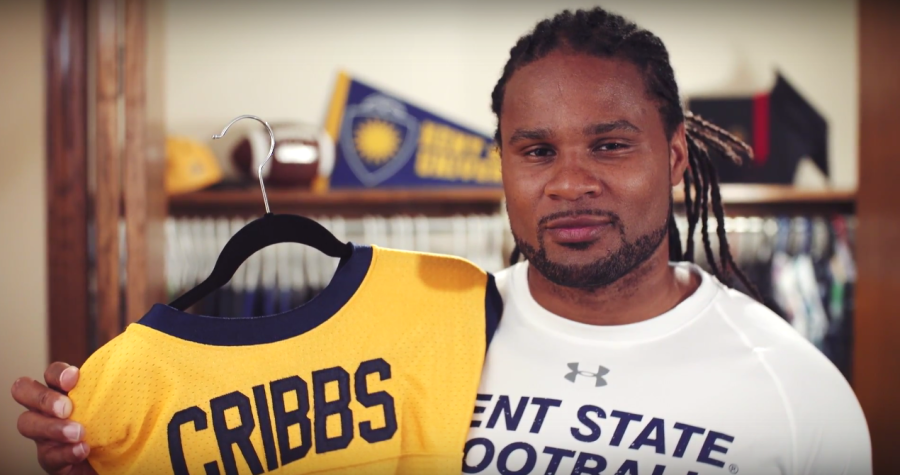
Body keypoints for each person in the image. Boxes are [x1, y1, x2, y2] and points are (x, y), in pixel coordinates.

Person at [11, 6, 870, 475]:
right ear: (503, 163)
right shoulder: (415, 328)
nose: (569, 182)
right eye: (536, 151)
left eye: (610, 144)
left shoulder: (798, 395)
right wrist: (117, 452)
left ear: (676, 154)